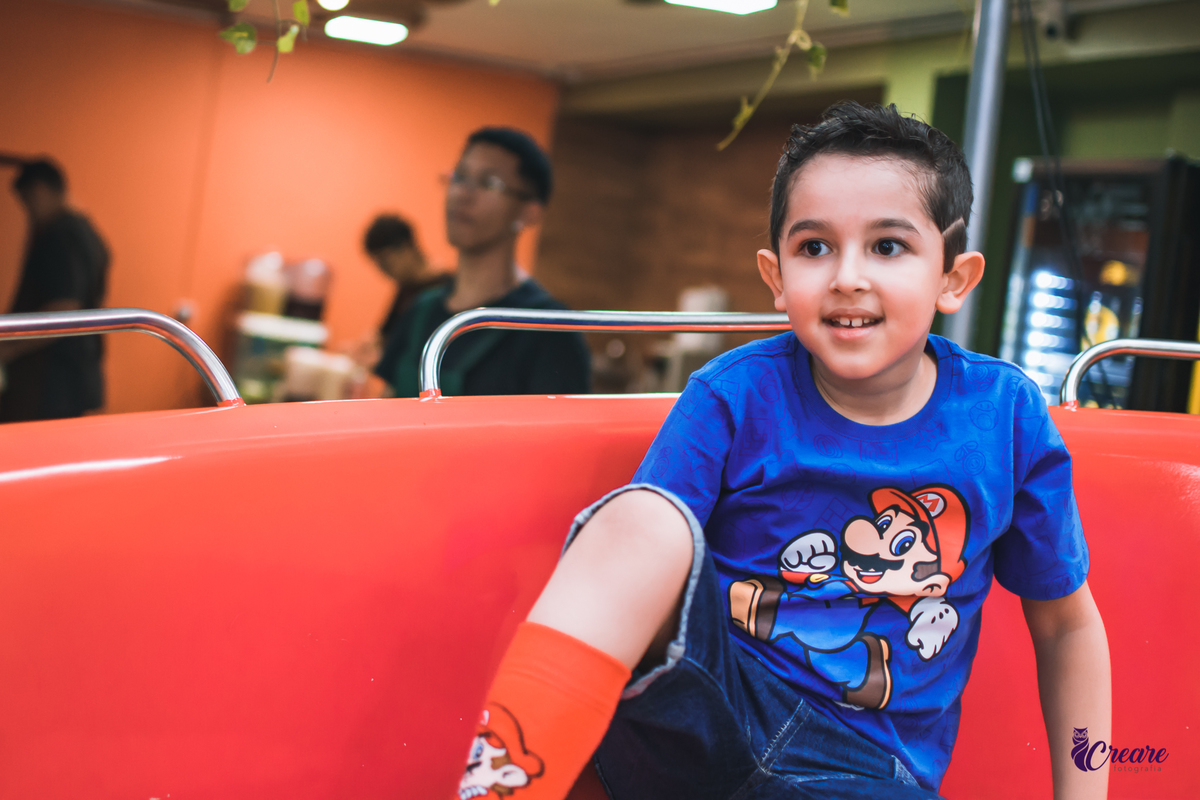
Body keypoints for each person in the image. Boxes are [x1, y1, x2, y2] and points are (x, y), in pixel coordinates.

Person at [453, 103, 1110, 800]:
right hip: (708, 711)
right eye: (814, 247)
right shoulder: (734, 394)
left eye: (888, 246)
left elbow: (1068, 626)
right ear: (775, 274)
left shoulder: (1003, 416)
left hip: (868, 766)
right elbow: (646, 573)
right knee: (643, 516)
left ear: (953, 276)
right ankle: (500, 784)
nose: (847, 277)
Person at [375, 128, 590, 397]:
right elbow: (386, 409)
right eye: (460, 176)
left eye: (489, 183)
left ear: (528, 212)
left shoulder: (548, 331)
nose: (463, 194)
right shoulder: (420, 311)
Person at [0, 158, 109, 422]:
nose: (29, 212)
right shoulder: (89, 233)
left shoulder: (61, 235)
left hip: (51, 379)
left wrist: (8, 349)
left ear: (40, 190)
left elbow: (64, 309)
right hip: (74, 375)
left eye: (27, 202)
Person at [363, 213, 448, 343]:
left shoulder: (443, 288)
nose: (385, 272)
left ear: (405, 247)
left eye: (386, 264)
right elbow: (383, 335)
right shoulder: (406, 286)